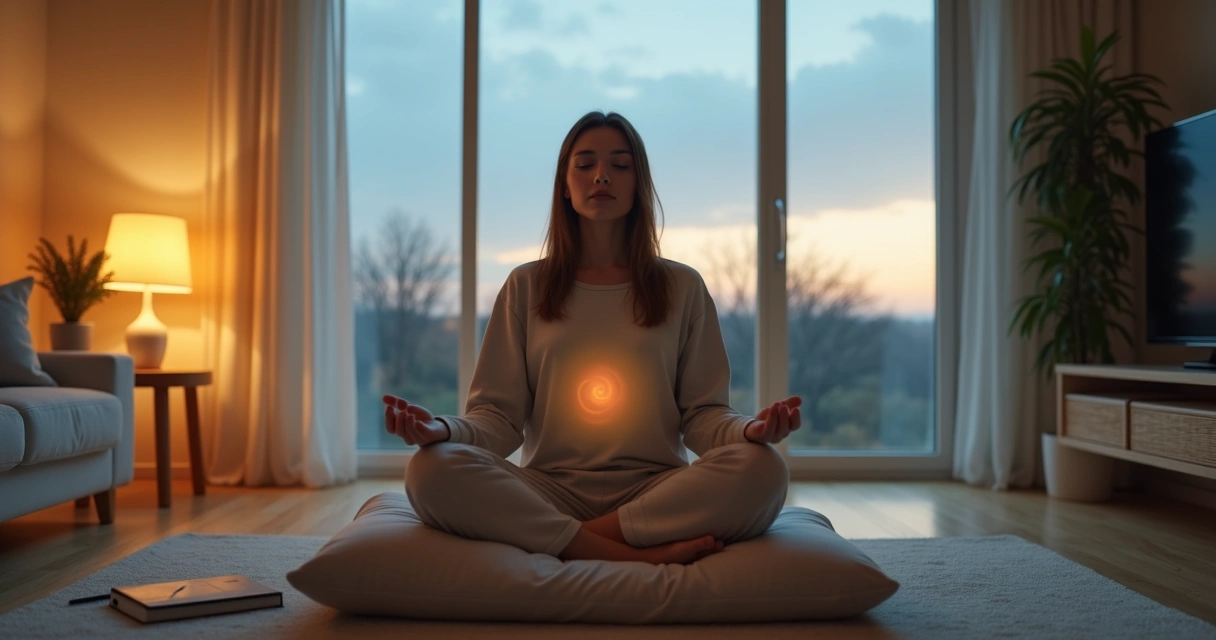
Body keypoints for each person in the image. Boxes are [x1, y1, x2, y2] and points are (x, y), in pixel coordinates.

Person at [383, 111, 802, 566]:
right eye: (584, 164)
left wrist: (748, 431)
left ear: (638, 183)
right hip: (548, 489)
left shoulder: (683, 287)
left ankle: (576, 543)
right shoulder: (526, 286)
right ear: (565, 184)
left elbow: (703, 415)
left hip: (655, 490)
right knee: (430, 470)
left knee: (763, 469)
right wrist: (442, 430)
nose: (602, 175)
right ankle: (634, 554)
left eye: (620, 165)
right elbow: (497, 419)